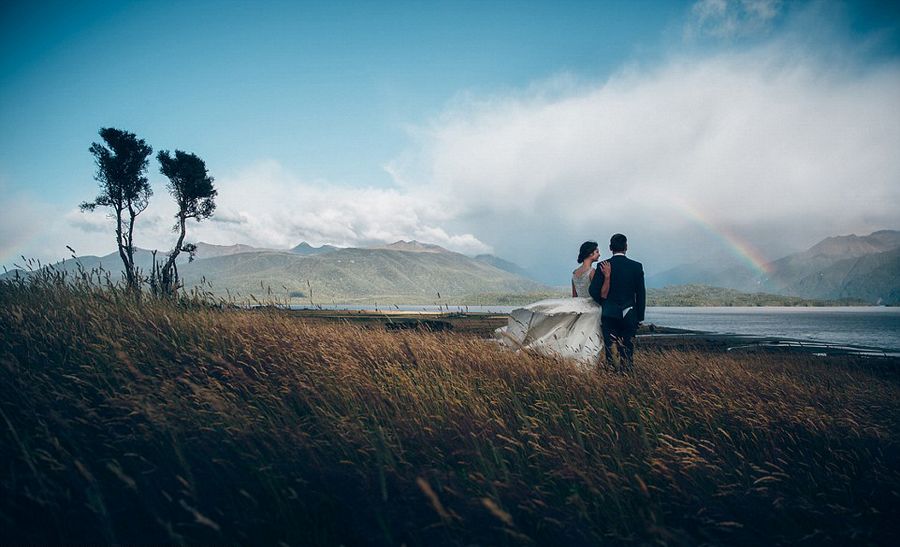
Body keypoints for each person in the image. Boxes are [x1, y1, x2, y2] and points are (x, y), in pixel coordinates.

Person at [494, 241, 610, 365]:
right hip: (590, 308)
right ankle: (583, 362)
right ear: (590, 254)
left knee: (575, 334)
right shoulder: (592, 272)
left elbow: (574, 296)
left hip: (578, 306)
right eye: (597, 252)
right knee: (586, 337)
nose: (599, 254)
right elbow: (594, 293)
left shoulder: (575, 273)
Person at [589, 233, 646, 372]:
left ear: (610, 247)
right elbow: (641, 293)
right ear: (626, 247)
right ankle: (627, 376)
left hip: (609, 314)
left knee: (611, 350)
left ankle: (612, 378)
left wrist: (604, 302)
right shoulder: (636, 267)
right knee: (627, 348)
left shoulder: (602, 265)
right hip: (630, 314)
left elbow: (593, 291)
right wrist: (639, 317)